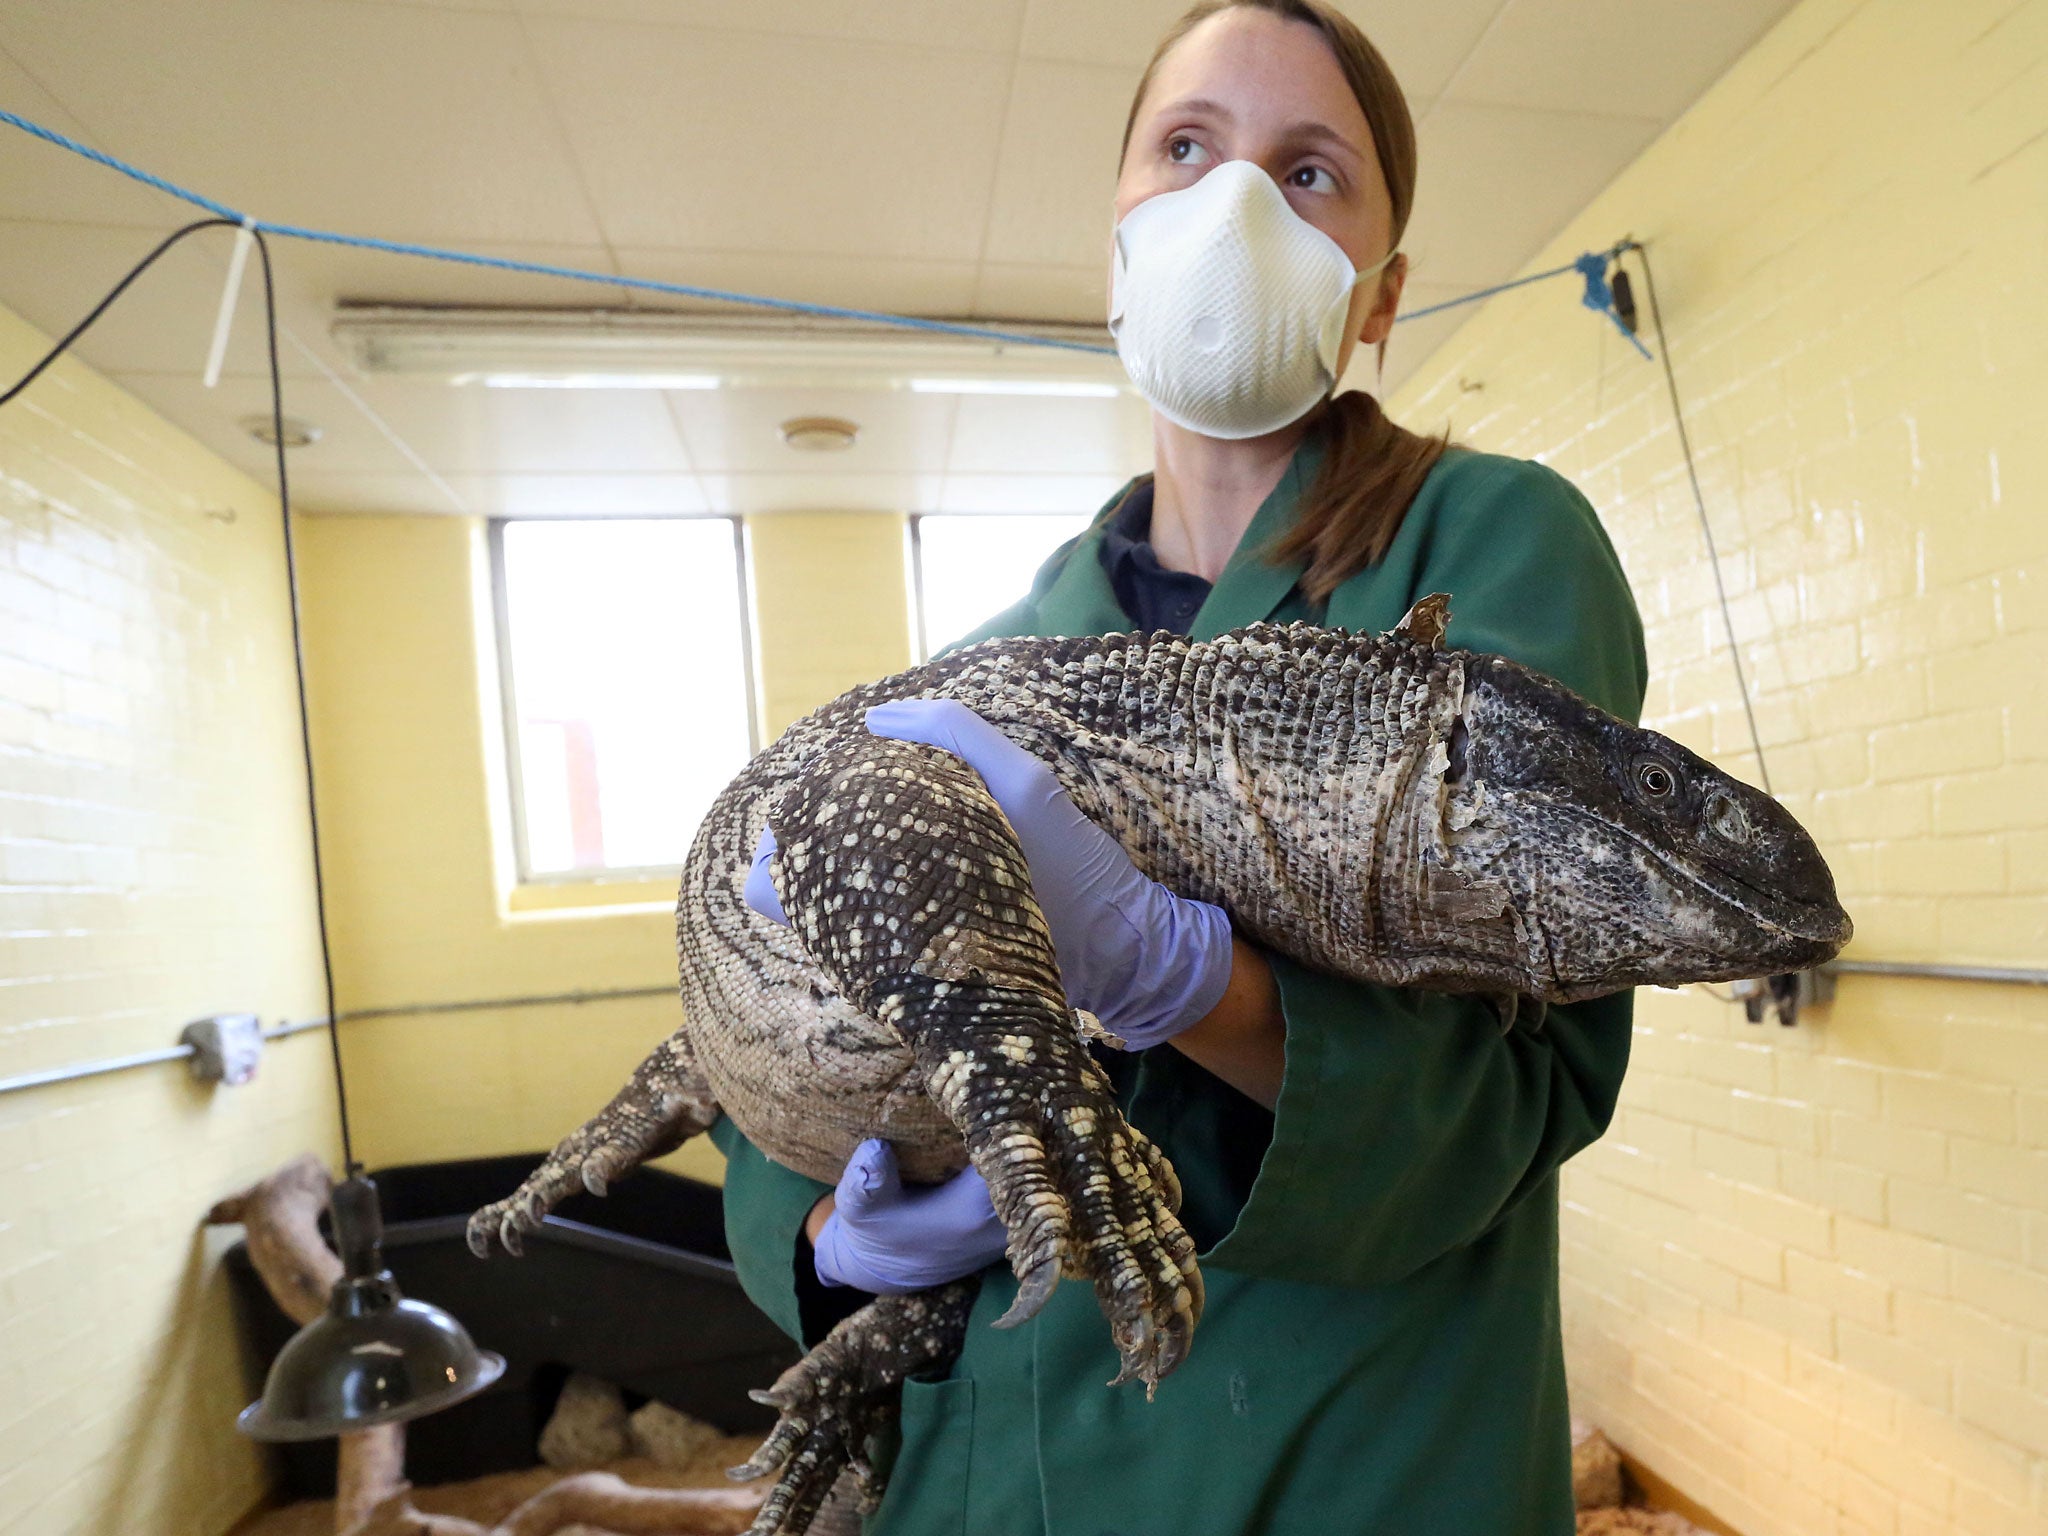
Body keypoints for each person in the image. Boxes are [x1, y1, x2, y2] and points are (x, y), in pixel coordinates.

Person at [711, 1, 1648, 1530]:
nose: (1233, 206)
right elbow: (775, 1058)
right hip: (990, 1471)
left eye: (1308, 174)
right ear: (1120, 239)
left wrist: (1175, 977)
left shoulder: (1488, 546)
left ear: (1379, 295)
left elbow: (1509, 1089)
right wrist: (827, 1238)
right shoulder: (976, 678)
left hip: (1341, 1463)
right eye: (1189, 148)